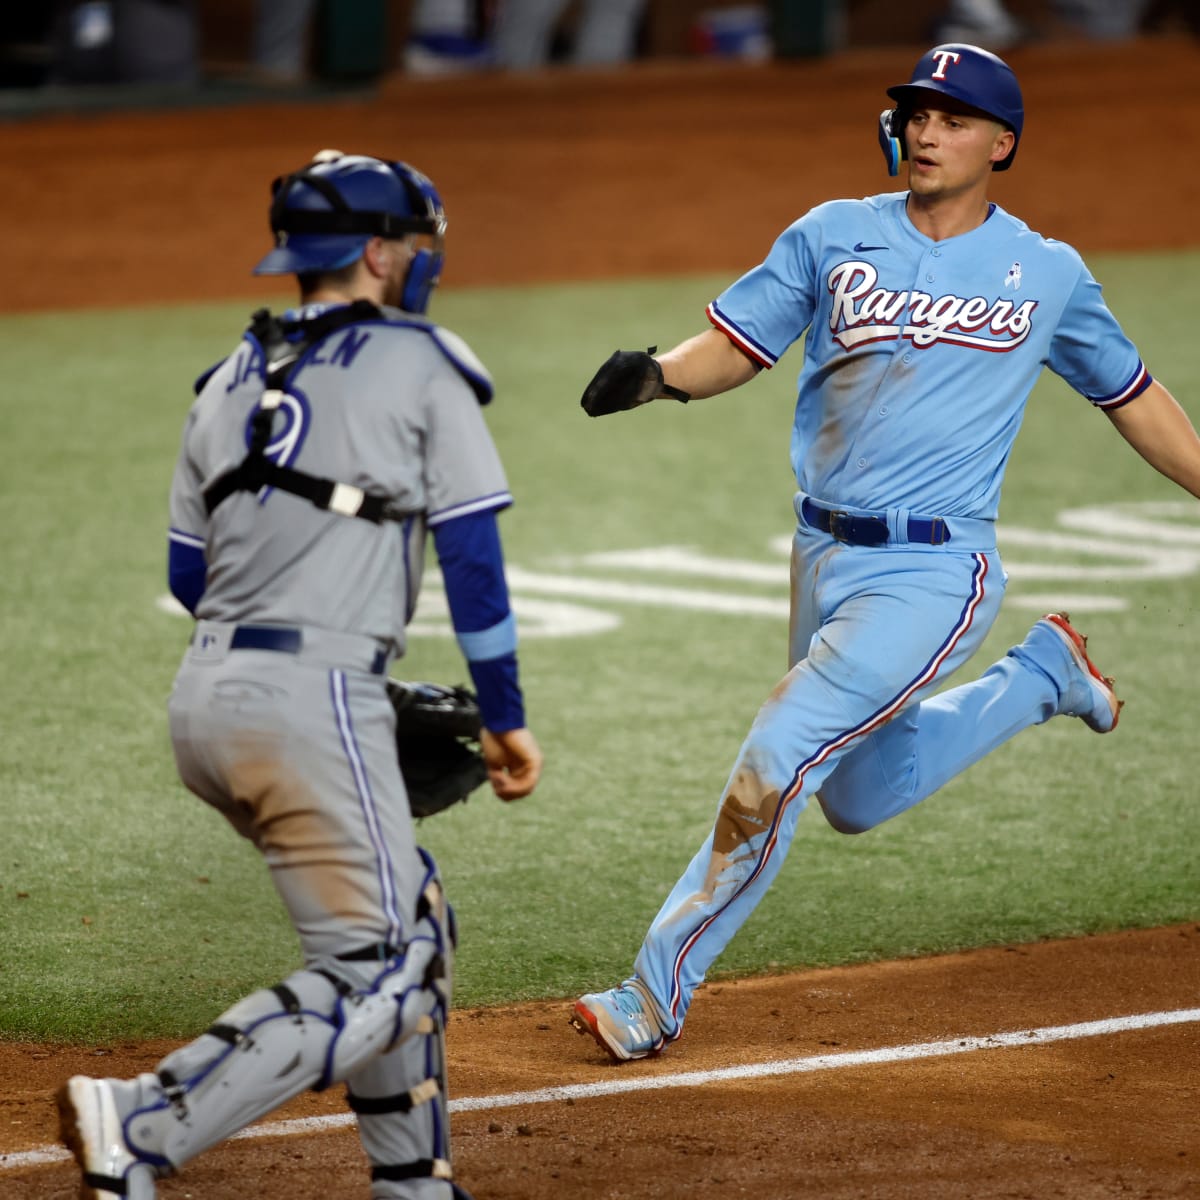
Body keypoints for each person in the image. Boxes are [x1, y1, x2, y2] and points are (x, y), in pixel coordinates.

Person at [569, 42, 1200, 1062]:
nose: (927, 131)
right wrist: (657, 376)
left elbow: (1133, 398)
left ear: (1003, 142)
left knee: (776, 760)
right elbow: (743, 343)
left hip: (935, 572)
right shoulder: (834, 235)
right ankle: (1041, 676)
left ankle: (650, 996)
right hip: (820, 560)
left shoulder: (1047, 274)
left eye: (952, 118)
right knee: (857, 792)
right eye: (915, 112)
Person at [57, 150, 542, 1198]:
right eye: (416, 245)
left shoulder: (226, 381)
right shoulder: (420, 363)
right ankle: (144, 1115)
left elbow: (193, 574)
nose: (425, 262)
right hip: (311, 703)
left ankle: (412, 1186)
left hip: (207, 701)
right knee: (387, 970)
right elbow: (471, 558)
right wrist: (504, 716)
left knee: (411, 919)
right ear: (378, 253)